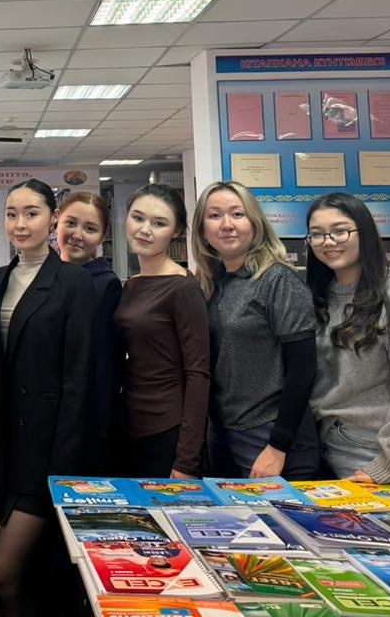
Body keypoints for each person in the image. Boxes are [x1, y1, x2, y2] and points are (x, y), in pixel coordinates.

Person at [0, 179, 98, 617]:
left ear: (52, 219)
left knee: (3, 573)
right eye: (12, 214)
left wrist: (62, 469)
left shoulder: (73, 282)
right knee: (26, 574)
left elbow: (80, 379)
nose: (20, 224)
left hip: (45, 453)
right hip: (2, 449)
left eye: (31, 213)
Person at [304, 192, 390, 483]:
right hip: (318, 445)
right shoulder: (316, 296)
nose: (328, 241)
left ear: (364, 232)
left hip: (370, 450)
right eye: (317, 234)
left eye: (340, 231)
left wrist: (385, 465)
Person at [191, 180, 319, 479]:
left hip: (270, 435)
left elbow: (303, 368)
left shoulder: (277, 280)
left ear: (255, 223)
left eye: (237, 214)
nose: (227, 224)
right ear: (202, 230)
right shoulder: (211, 283)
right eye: (214, 215)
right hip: (222, 431)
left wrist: (278, 446)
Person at [113, 184, 209, 479]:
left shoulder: (182, 288)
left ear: (176, 231)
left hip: (168, 428)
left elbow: (198, 374)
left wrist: (186, 460)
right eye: (138, 218)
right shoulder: (132, 284)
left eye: (159, 223)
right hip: (129, 423)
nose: (145, 230)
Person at [55, 190, 123, 461]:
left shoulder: (105, 284)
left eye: (90, 229)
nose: (77, 235)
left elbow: (105, 365)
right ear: (57, 220)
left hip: (81, 419)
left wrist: (100, 429)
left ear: (102, 236)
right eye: (71, 223)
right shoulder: (43, 275)